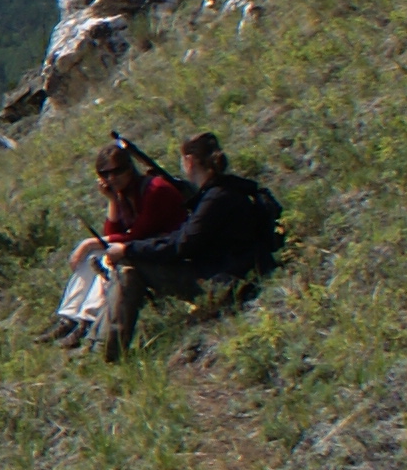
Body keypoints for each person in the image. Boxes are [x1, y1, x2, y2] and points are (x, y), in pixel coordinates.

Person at [99, 133, 285, 359]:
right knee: (131, 261)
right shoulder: (225, 191)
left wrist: (128, 249)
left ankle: (107, 352)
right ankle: (102, 345)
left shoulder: (215, 198)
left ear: (189, 161)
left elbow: (181, 245)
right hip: (232, 276)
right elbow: (183, 238)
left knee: (130, 266)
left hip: (223, 284)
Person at [53, 139, 191, 342]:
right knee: (96, 254)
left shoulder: (154, 190)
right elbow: (112, 231)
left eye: (116, 171)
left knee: (109, 256)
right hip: (144, 245)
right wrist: (112, 201)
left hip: (165, 251)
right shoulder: (125, 194)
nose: (111, 178)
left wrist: (88, 242)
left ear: (129, 168)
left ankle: (88, 320)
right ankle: (69, 318)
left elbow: (137, 234)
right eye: (104, 174)